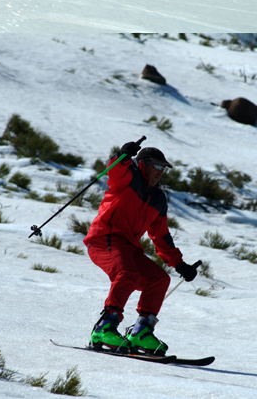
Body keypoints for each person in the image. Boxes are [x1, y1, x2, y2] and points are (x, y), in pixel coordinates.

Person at [83, 142, 200, 356]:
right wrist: (123, 155)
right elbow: (115, 170)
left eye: (164, 169)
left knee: (159, 279)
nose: (161, 172)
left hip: (129, 247)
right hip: (105, 238)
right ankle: (104, 328)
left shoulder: (157, 198)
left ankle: (141, 332)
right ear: (143, 164)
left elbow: (161, 235)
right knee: (127, 273)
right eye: (157, 166)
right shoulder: (128, 179)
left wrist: (179, 264)